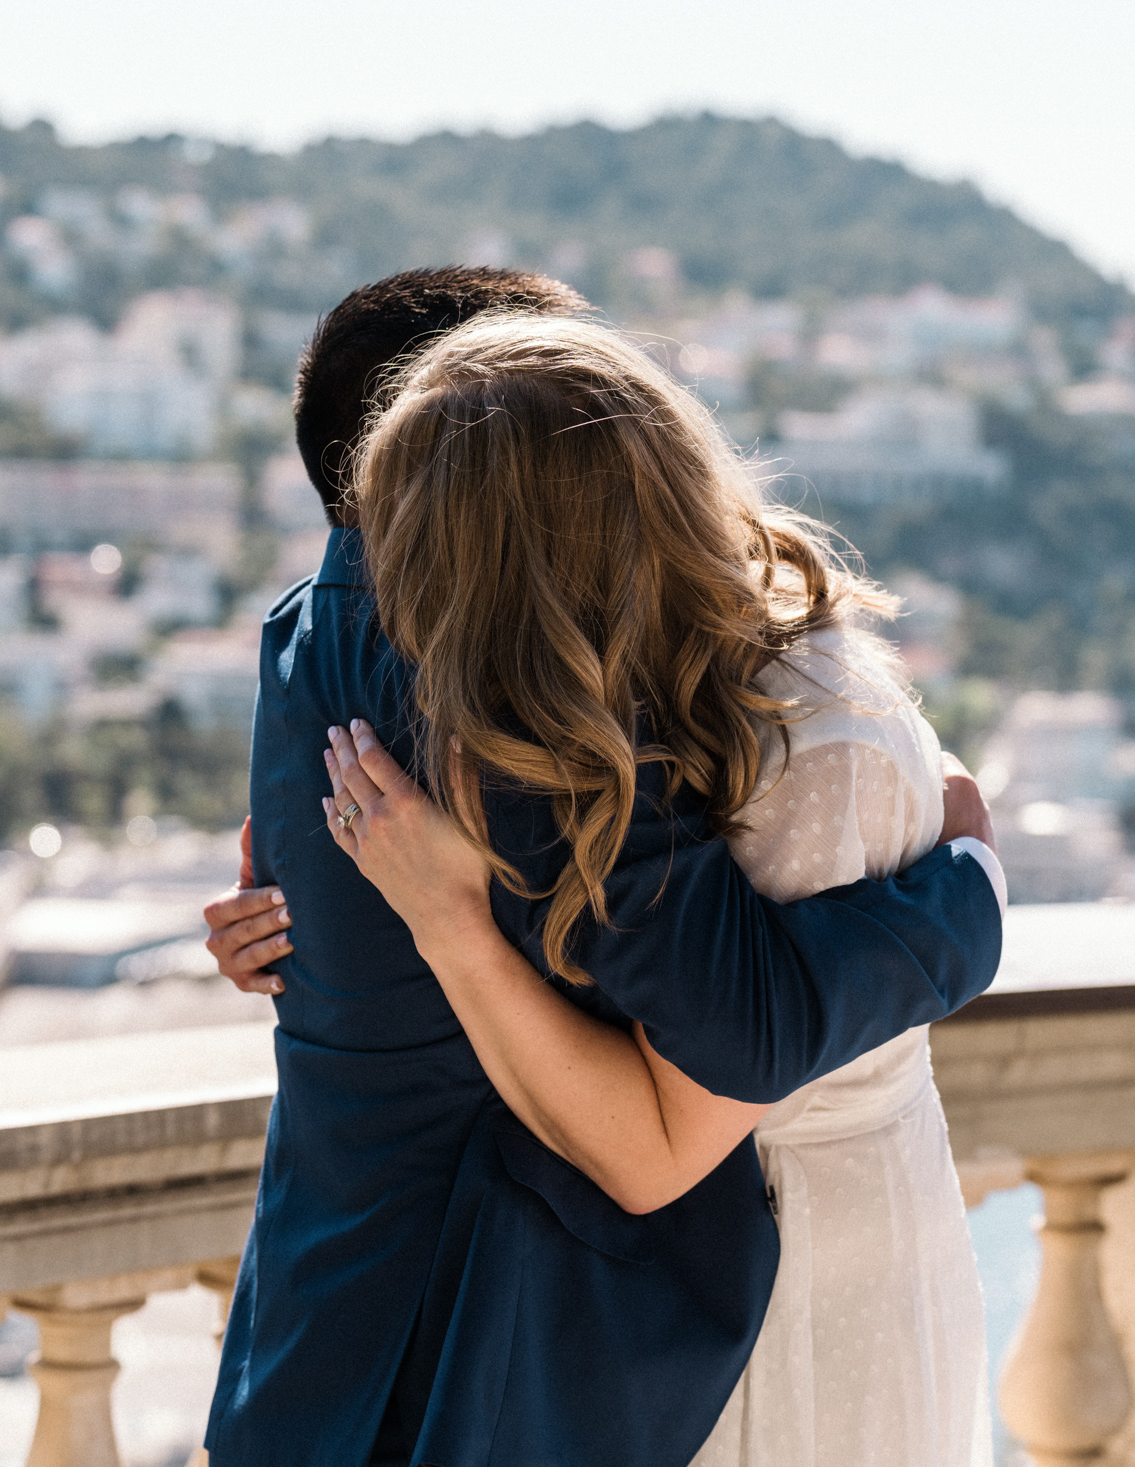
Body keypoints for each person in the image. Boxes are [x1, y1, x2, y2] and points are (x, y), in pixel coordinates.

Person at [199, 267, 1005, 1467]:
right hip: (475, 1341)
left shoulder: (301, 638)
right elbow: (737, 1030)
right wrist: (963, 903)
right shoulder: (502, 699)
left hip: (311, 1331)